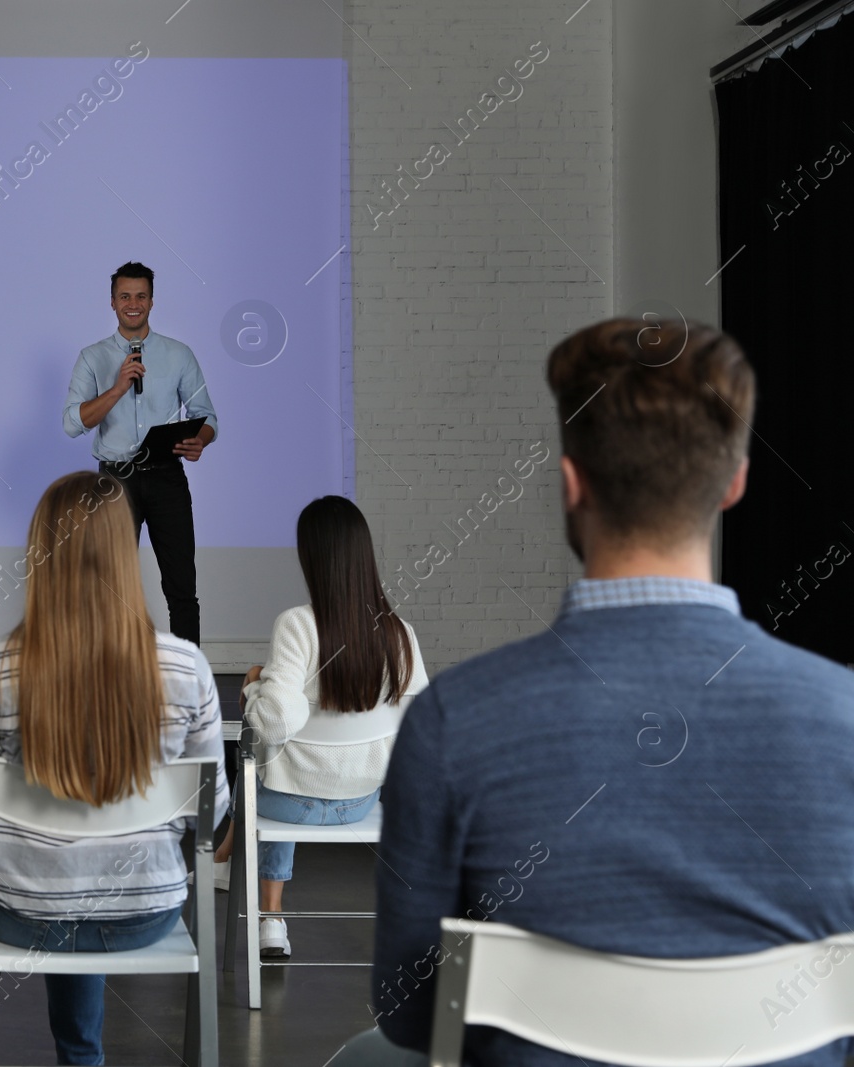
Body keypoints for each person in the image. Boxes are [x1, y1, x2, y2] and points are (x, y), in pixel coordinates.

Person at [336, 321, 854, 1066]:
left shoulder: (455, 721)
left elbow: (410, 1012)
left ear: (570, 482)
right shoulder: (843, 717)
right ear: (735, 482)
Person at [0, 470, 230, 1066]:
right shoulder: (186, 668)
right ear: (127, 552)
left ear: (40, 555)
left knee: (62, 883)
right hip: (146, 913)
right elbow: (214, 814)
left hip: (22, 915)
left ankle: (80, 1053)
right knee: (90, 882)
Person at [211, 496, 427, 960]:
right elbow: (421, 726)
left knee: (262, 764)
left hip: (291, 807)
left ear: (312, 558)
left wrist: (254, 688)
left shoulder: (297, 625)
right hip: (361, 801)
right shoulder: (400, 633)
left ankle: (268, 915)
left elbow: (274, 725)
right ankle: (229, 856)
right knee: (276, 767)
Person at [63, 261, 219, 645]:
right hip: (114, 482)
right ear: (112, 303)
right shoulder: (92, 357)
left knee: (182, 586)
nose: (133, 303)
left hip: (167, 476)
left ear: (152, 301)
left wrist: (201, 439)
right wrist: (117, 388)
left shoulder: (179, 354)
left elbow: (207, 417)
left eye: (141, 296)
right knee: (109, 586)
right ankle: (111, 677)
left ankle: (190, 681)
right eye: (125, 296)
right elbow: (71, 423)